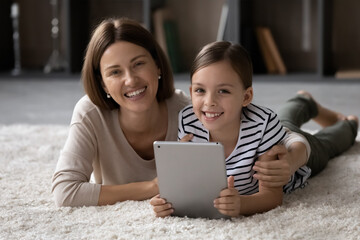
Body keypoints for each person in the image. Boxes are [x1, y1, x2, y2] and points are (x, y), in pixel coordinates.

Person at [51, 17, 309, 207]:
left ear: (158, 66)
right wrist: (152, 187)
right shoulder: (90, 114)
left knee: (312, 137)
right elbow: (65, 192)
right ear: (102, 82)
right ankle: (301, 101)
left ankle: (305, 102)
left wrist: (291, 161)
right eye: (115, 72)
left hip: (284, 141)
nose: (130, 80)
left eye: (139, 64)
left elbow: (283, 135)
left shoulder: (189, 109)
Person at [150, 41, 358, 217]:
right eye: (200, 90)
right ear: (191, 92)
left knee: (328, 145)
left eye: (223, 90)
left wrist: (241, 204)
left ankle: (349, 124)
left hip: (295, 155)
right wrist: (168, 201)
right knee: (285, 119)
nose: (209, 101)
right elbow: (186, 183)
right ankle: (303, 99)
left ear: (246, 97)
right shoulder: (188, 119)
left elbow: (272, 197)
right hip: (275, 127)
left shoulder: (263, 124)